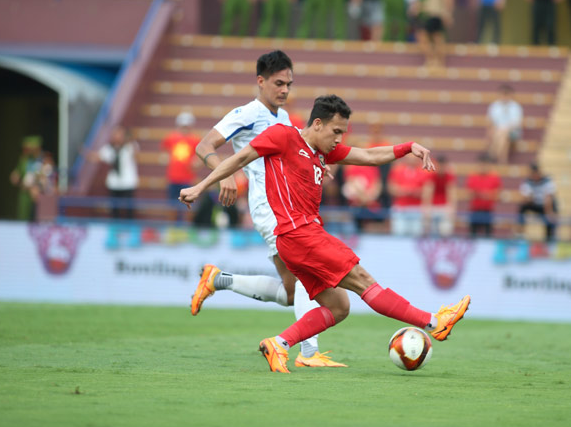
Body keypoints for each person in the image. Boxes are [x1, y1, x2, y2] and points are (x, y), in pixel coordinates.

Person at [179, 94, 471, 373]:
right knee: (364, 281)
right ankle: (435, 322)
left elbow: (368, 156)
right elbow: (239, 159)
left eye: (343, 132)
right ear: (317, 124)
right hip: (300, 234)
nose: (339, 139)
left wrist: (408, 147)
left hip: (295, 239)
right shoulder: (283, 136)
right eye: (336, 131)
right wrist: (200, 186)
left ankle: (279, 344)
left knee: (339, 306)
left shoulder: (321, 152)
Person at [190, 50, 345, 367]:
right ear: (260, 81)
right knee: (308, 275)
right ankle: (308, 354)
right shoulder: (246, 113)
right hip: (270, 206)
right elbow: (204, 145)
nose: (285, 90)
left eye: (289, 84)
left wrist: (317, 164)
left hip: (286, 205)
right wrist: (228, 174)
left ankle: (218, 280)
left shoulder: (284, 119)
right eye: (278, 83)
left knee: (291, 292)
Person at [90, 126, 139, 220]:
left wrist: (130, 141)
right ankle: (114, 229)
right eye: (115, 134)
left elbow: (136, 156)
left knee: (129, 209)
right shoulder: (109, 148)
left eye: (119, 134)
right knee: (114, 209)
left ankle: (130, 228)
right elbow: (97, 157)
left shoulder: (130, 146)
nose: (117, 137)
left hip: (128, 182)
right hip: (114, 183)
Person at [161, 112, 200, 217]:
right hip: (173, 177)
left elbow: (198, 158)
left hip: (187, 177)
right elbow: (165, 152)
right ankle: (172, 229)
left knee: (188, 205)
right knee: (172, 205)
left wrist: (196, 163)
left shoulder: (195, 140)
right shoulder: (171, 138)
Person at [388, 155, 428, 236]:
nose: (411, 161)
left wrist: (414, 192)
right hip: (400, 208)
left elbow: (427, 191)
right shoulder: (397, 170)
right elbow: (391, 188)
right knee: (398, 234)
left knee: (416, 235)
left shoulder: (423, 171)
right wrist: (405, 191)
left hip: (416, 208)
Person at [517, 163, 557, 241]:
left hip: (546, 205)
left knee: (551, 215)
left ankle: (549, 237)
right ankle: (520, 232)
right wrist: (529, 198)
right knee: (522, 207)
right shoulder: (528, 181)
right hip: (535, 204)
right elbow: (525, 197)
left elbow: (548, 198)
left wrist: (548, 212)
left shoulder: (547, 181)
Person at [466, 152, 502, 237]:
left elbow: (497, 195)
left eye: (484, 164)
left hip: (488, 210)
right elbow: (470, 194)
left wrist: (482, 194)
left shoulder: (494, 177)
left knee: (488, 235)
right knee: (472, 234)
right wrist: (485, 195)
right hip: (475, 209)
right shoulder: (473, 176)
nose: (482, 167)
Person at [10, 136, 45, 221]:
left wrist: (37, 185)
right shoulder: (24, 160)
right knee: (23, 217)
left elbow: (45, 177)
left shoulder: (43, 160)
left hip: (38, 194)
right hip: (25, 193)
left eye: (29, 149)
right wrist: (20, 181)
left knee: (38, 218)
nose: (27, 151)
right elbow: (15, 176)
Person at [422, 155, 457, 237]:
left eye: (443, 166)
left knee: (445, 230)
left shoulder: (449, 176)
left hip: (444, 207)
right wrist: (426, 207)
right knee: (432, 231)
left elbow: (451, 192)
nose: (441, 168)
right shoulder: (432, 176)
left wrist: (452, 207)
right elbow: (428, 193)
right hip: (433, 206)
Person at [487, 84, 523, 164]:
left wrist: (504, 129)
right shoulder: (495, 106)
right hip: (498, 132)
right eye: (503, 94)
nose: (504, 96)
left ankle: (493, 155)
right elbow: (491, 122)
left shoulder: (515, 107)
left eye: (506, 94)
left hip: (512, 132)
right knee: (502, 137)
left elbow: (516, 124)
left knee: (503, 133)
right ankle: (502, 159)